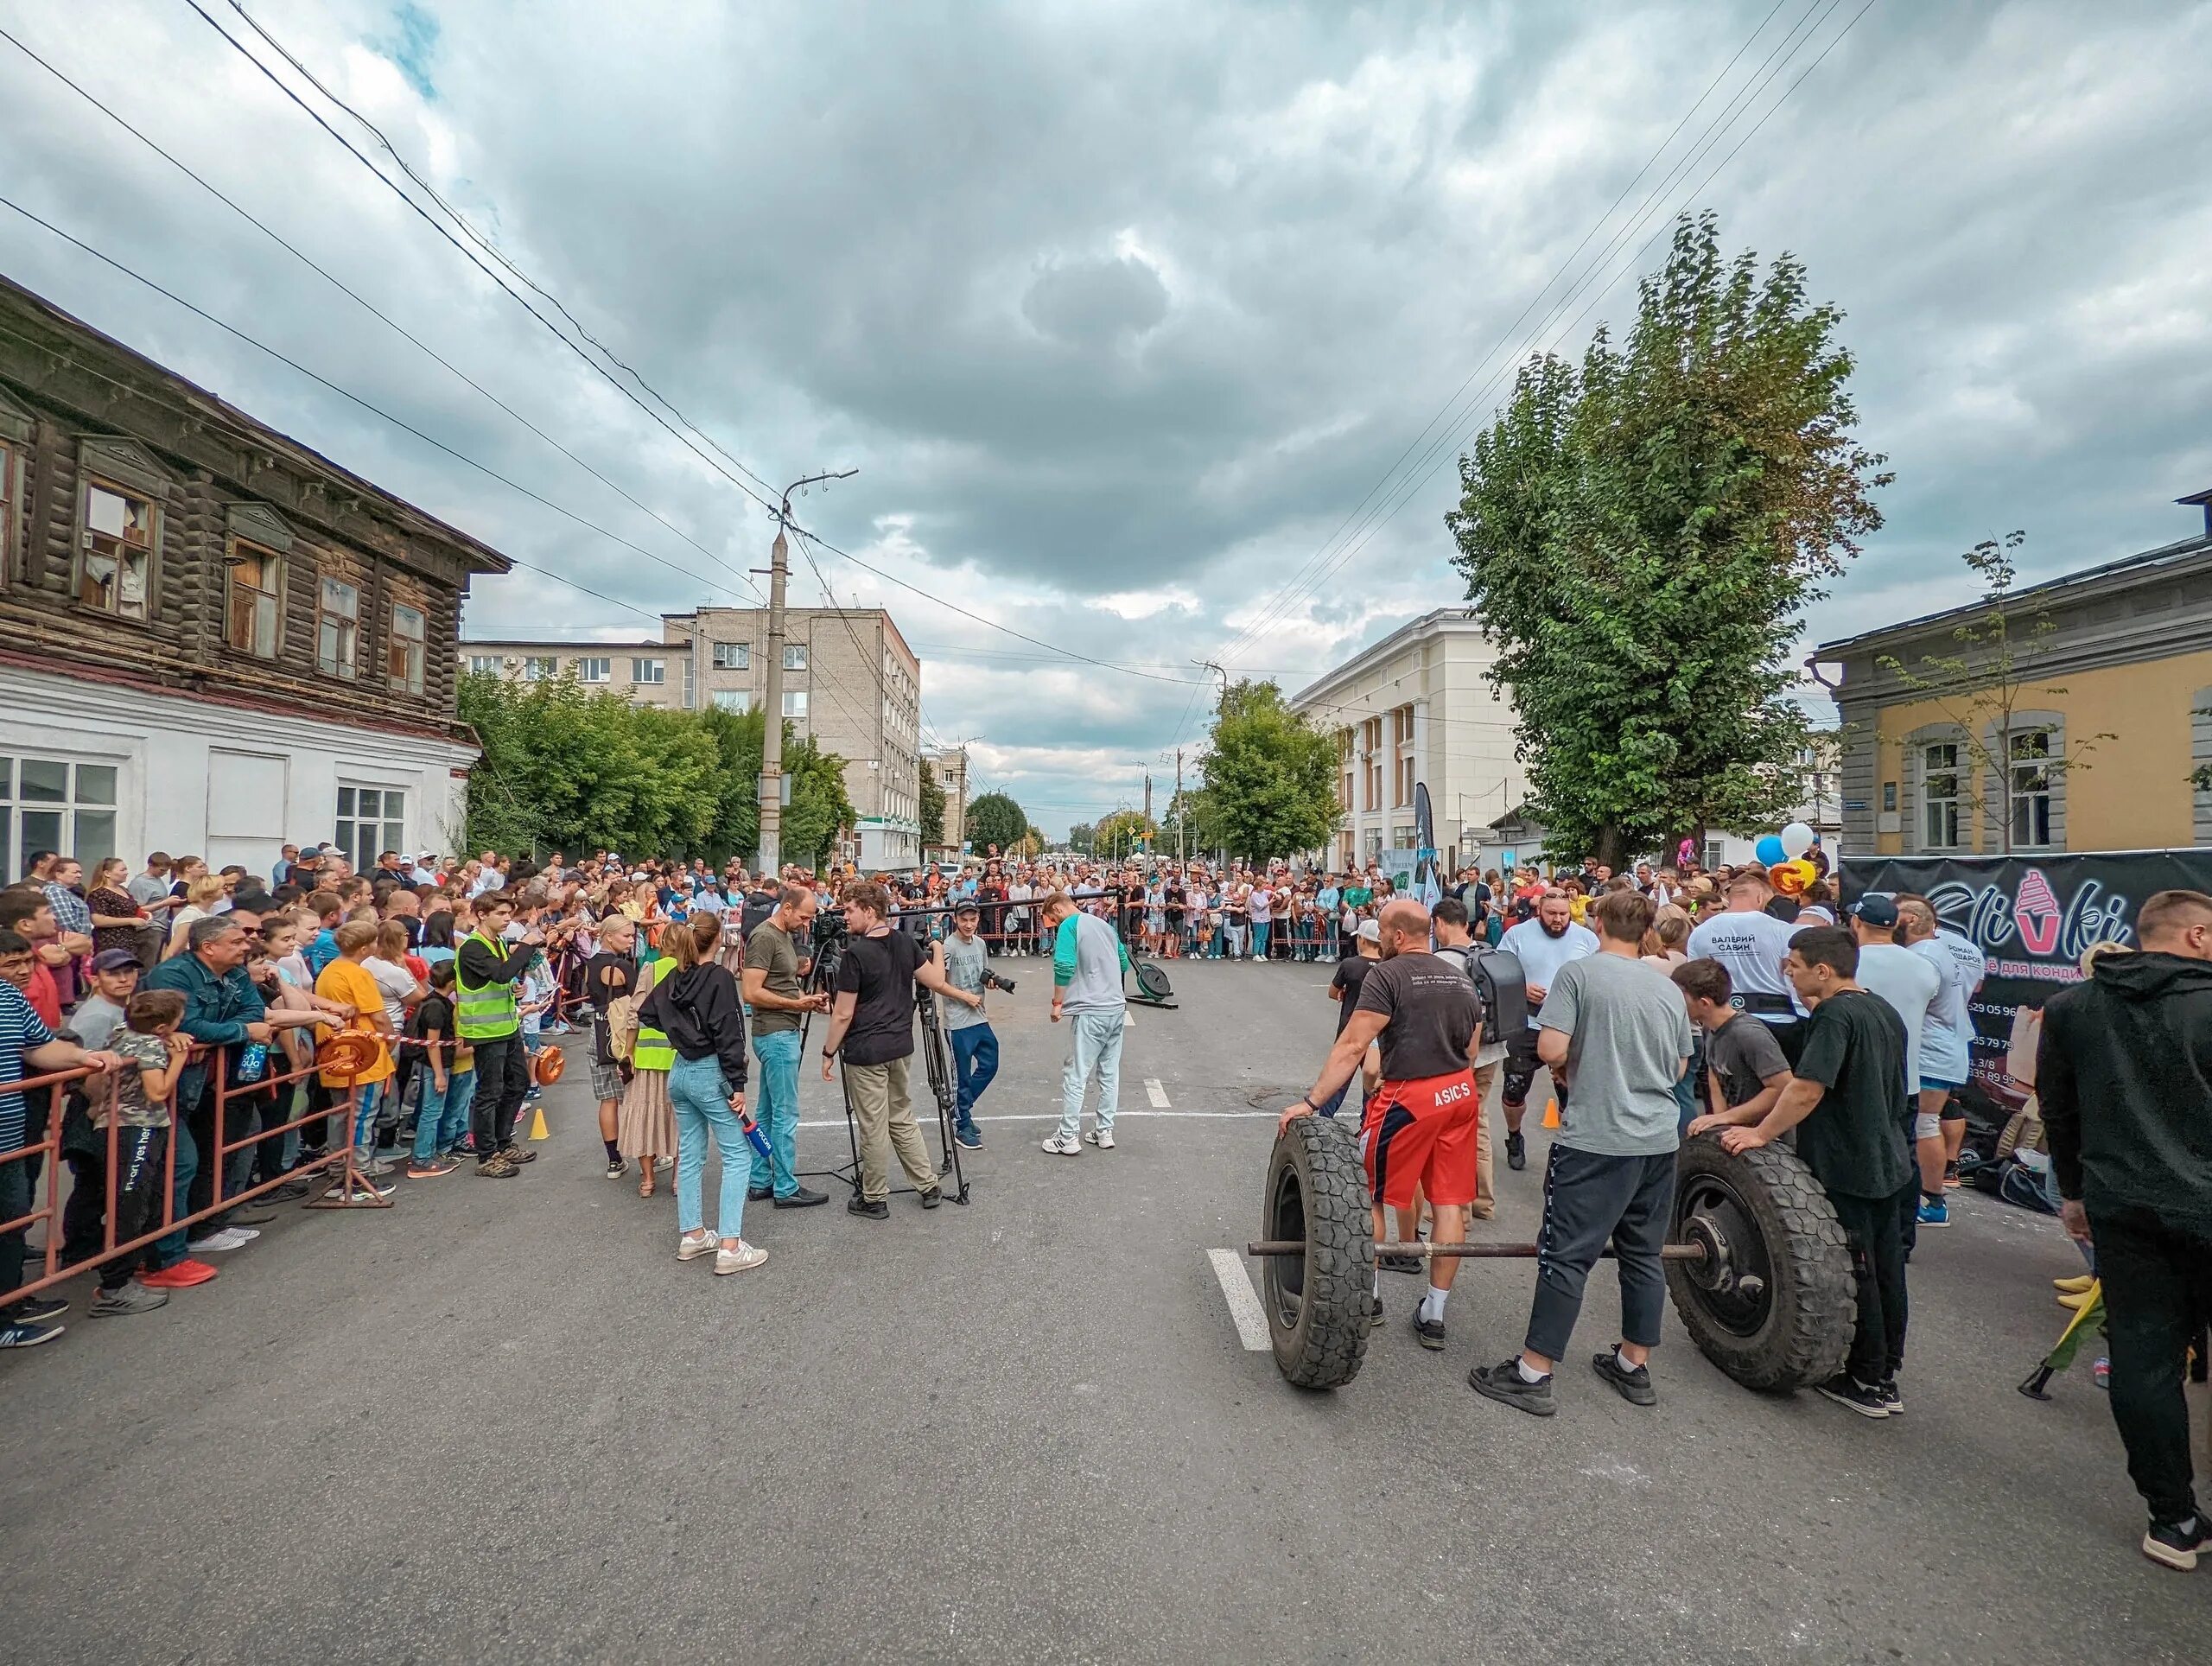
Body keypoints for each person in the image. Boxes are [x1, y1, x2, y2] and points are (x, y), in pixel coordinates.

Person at [2037, 888, 2212, 1571]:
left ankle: (2171, 1519)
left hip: (2125, 1204)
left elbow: (2059, 1108)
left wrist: (2075, 1193)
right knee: (2145, 1360)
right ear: (2196, 938)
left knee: (2145, 1359)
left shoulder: (2074, 1006)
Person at [1469, 890, 1692, 1415]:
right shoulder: (1667, 988)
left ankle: (1533, 1372)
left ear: (1596, 922)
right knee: (1643, 1254)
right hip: (1658, 1139)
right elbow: (1682, 1066)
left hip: (1598, 1136)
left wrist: (1580, 1061)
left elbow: (1549, 1048)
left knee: (1565, 1255)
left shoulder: (1580, 974)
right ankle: (1634, 1365)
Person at [1721, 925, 1915, 1420]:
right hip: (1890, 1158)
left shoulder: (1834, 1015)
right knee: (1887, 1266)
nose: (1787, 970)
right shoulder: (1882, 1008)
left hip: (1848, 1162)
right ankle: (1886, 1368)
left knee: (1858, 1268)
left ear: (1823, 970)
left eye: (1794, 964)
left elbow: (1807, 1089)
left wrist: (1761, 1133)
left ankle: (1867, 1379)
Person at [1280, 899, 1479, 1350]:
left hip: (1411, 1096)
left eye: (1385, 933)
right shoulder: (1461, 977)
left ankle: (1368, 1298)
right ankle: (1434, 1313)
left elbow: (1352, 1045)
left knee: (1366, 1192)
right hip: (1461, 1093)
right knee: (1448, 1204)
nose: (1381, 940)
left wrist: (1311, 1102)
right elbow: (1470, 1050)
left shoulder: (1385, 975)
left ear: (1398, 936)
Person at [819, 881, 976, 1216]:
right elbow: (935, 981)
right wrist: (935, 947)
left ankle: (874, 1197)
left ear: (869, 910)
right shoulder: (904, 943)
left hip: (866, 1050)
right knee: (901, 1117)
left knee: (874, 1125)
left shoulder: (856, 955)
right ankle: (928, 1184)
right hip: (900, 1045)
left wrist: (828, 1051)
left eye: (850, 909)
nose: (845, 915)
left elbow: (843, 1012)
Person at [0, 957, 124, 1348]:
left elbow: (39, 1048)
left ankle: (9, 1306)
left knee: (13, 1219)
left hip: (10, 1135)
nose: (21, 969)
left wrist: (83, 1058)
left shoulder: (8, 996)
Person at [640, 913, 766, 1275]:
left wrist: (682, 1033)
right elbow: (729, 1032)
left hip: (681, 1069)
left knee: (692, 1153)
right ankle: (729, 1244)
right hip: (710, 1069)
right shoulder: (720, 978)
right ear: (718, 941)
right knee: (738, 1155)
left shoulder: (675, 976)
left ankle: (693, 1234)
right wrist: (737, 1082)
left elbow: (648, 1012)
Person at [81, 989, 190, 1318]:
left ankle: (125, 1275)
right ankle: (114, 1287)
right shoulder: (148, 1046)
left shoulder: (123, 1033)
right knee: (130, 1204)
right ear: (161, 1029)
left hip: (118, 1124)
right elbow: (157, 1091)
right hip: (136, 1127)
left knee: (135, 1202)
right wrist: (179, 1060)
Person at [1841, 896, 1944, 1229]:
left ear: (1857, 923)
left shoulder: (1849, 963)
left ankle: (1860, 1232)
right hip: (1907, 1078)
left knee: (1853, 1156)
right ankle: (1901, 1233)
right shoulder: (1923, 966)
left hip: (1854, 1078)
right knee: (1903, 1156)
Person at [740, 883, 830, 1207]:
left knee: (766, 1113)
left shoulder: (782, 937)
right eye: (804, 917)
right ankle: (786, 1186)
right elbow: (750, 992)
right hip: (777, 1034)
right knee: (785, 1114)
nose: (806, 923)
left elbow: (778, 982)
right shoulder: (765, 936)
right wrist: (796, 1005)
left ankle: (762, 1179)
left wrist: (803, 997)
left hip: (777, 1031)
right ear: (787, 908)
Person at [1496, 890, 1598, 1172]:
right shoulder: (1518, 934)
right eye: (1552, 913)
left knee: (1570, 1092)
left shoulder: (1586, 938)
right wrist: (1521, 987)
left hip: (1568, 1026)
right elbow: (1500, 971)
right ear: (1540, 910)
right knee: (1514, 1090)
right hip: (1526, 1024)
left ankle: (1567, 1145)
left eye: (1563, 914)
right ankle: (1514, 1136)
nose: (1557, 920)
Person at [1897, 895, 1981, 1192]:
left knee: (1924, 1124)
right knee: (1926, 1122)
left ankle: (1931, 1198)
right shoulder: (1939, 949)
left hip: (1933, 1051)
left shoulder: (1923, 957)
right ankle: (1927, 1194)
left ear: (1908, 921)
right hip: (1944, 1046)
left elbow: (1916, 1002)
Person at [454, 891, 542, 1179]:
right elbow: (501, 974)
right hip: (486, 1031)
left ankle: (503, 1143)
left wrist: (515, 991)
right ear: (482, 914)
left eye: (508, 914)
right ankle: (487, 1154)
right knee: (489, 1092)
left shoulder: (499, 944)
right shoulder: (473, 947)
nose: (507, 919)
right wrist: (526, 946)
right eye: (501, 914)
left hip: (507, 1026)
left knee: (517, 1083)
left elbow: (504, 979)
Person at [1041, 889, 1132, 1154]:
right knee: (1109, 1073)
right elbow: (1123, 962)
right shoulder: (1104, 925)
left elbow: (1064, 965)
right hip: (1116, 1007)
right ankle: (1104, 1130)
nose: (1055, 926)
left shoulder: (1070, 925)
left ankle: (1067, 1135)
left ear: (1057, 909)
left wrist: (1058, 1003)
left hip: (1091, 1009)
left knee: (1076, 1074)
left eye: (1053, 920)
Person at [1686, 869, 1808, 1059]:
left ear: (1729, 896)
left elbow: (1695, 981)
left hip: (1724, 1020)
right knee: (1782, 1084)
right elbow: (1795, 977)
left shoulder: (1700, 933)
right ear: (1760, 897)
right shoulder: (1782, 930)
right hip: (1777, 1020)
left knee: (1729, 1085)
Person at [1428, 897, 1498, 1222]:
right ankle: (1484, 1201)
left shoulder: (1442, 961)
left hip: (1455, 1054)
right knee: (1479, 1121)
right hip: (1493, 1050)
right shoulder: (1487, 952)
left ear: (1440, 924)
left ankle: (1460, 1208)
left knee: (1452, 1129)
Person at [1676, 959, 1793, 1137]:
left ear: (1704, 1003)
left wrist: (1727, 1117)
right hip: (1735, 1135)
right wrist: (1719, 1120)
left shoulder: (1748, 1034)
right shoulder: (1709, 1029)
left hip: (1769, 1142)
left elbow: (1783, 1087)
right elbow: (1714, 1073)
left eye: (1680, 998)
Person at [938, 900, 1001, 1151]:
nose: (968, 924)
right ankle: (963, 1123)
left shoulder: (981, 944)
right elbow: (939, 983)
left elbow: (983, 973)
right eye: (963, 919)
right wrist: (964, 996)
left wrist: (993, 981)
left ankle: (960, 1107)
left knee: (990, 1062)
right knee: (961, 1075)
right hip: (957, 1020)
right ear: (955, 919)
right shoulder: (947, 947)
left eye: (972, 919)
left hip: (979, 1016)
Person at [1317, 918, 1382, 1118]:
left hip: (1351, 1027)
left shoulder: (1350, 964)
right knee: (1371, 1081)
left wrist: (1345, 990)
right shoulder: (1387, 966)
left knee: (1339, 1077)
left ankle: (1325, 1120)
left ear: (1362, 940)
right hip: (1378, 1031)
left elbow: (1332, 992)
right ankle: (1367, 1123)